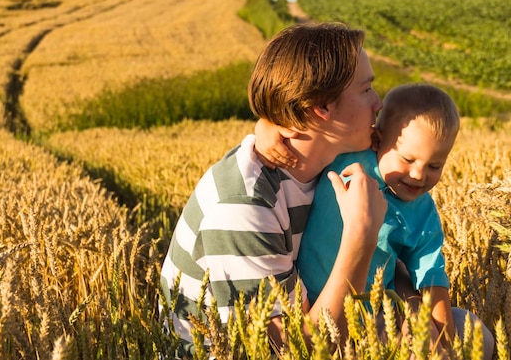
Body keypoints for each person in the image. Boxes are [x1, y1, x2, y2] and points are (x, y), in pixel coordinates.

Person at [159, 22, 387, 358]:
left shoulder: (334, 158)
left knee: (460, 330)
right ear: (320, 108)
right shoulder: (243, 207)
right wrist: (362, 235)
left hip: (322, 324)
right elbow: (295, 349)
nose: (378, 102)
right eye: (366, 90)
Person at [256, 83, 494, 358]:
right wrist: (266, 128)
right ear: (378, 141)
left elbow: (432, 277)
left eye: (434, 166)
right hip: (313, 314)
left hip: (371, 321)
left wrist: (445, 342)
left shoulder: (422, 212)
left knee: (475, 335)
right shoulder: (347, 158)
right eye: (408, 159)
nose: (418, 175)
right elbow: (307, 132)